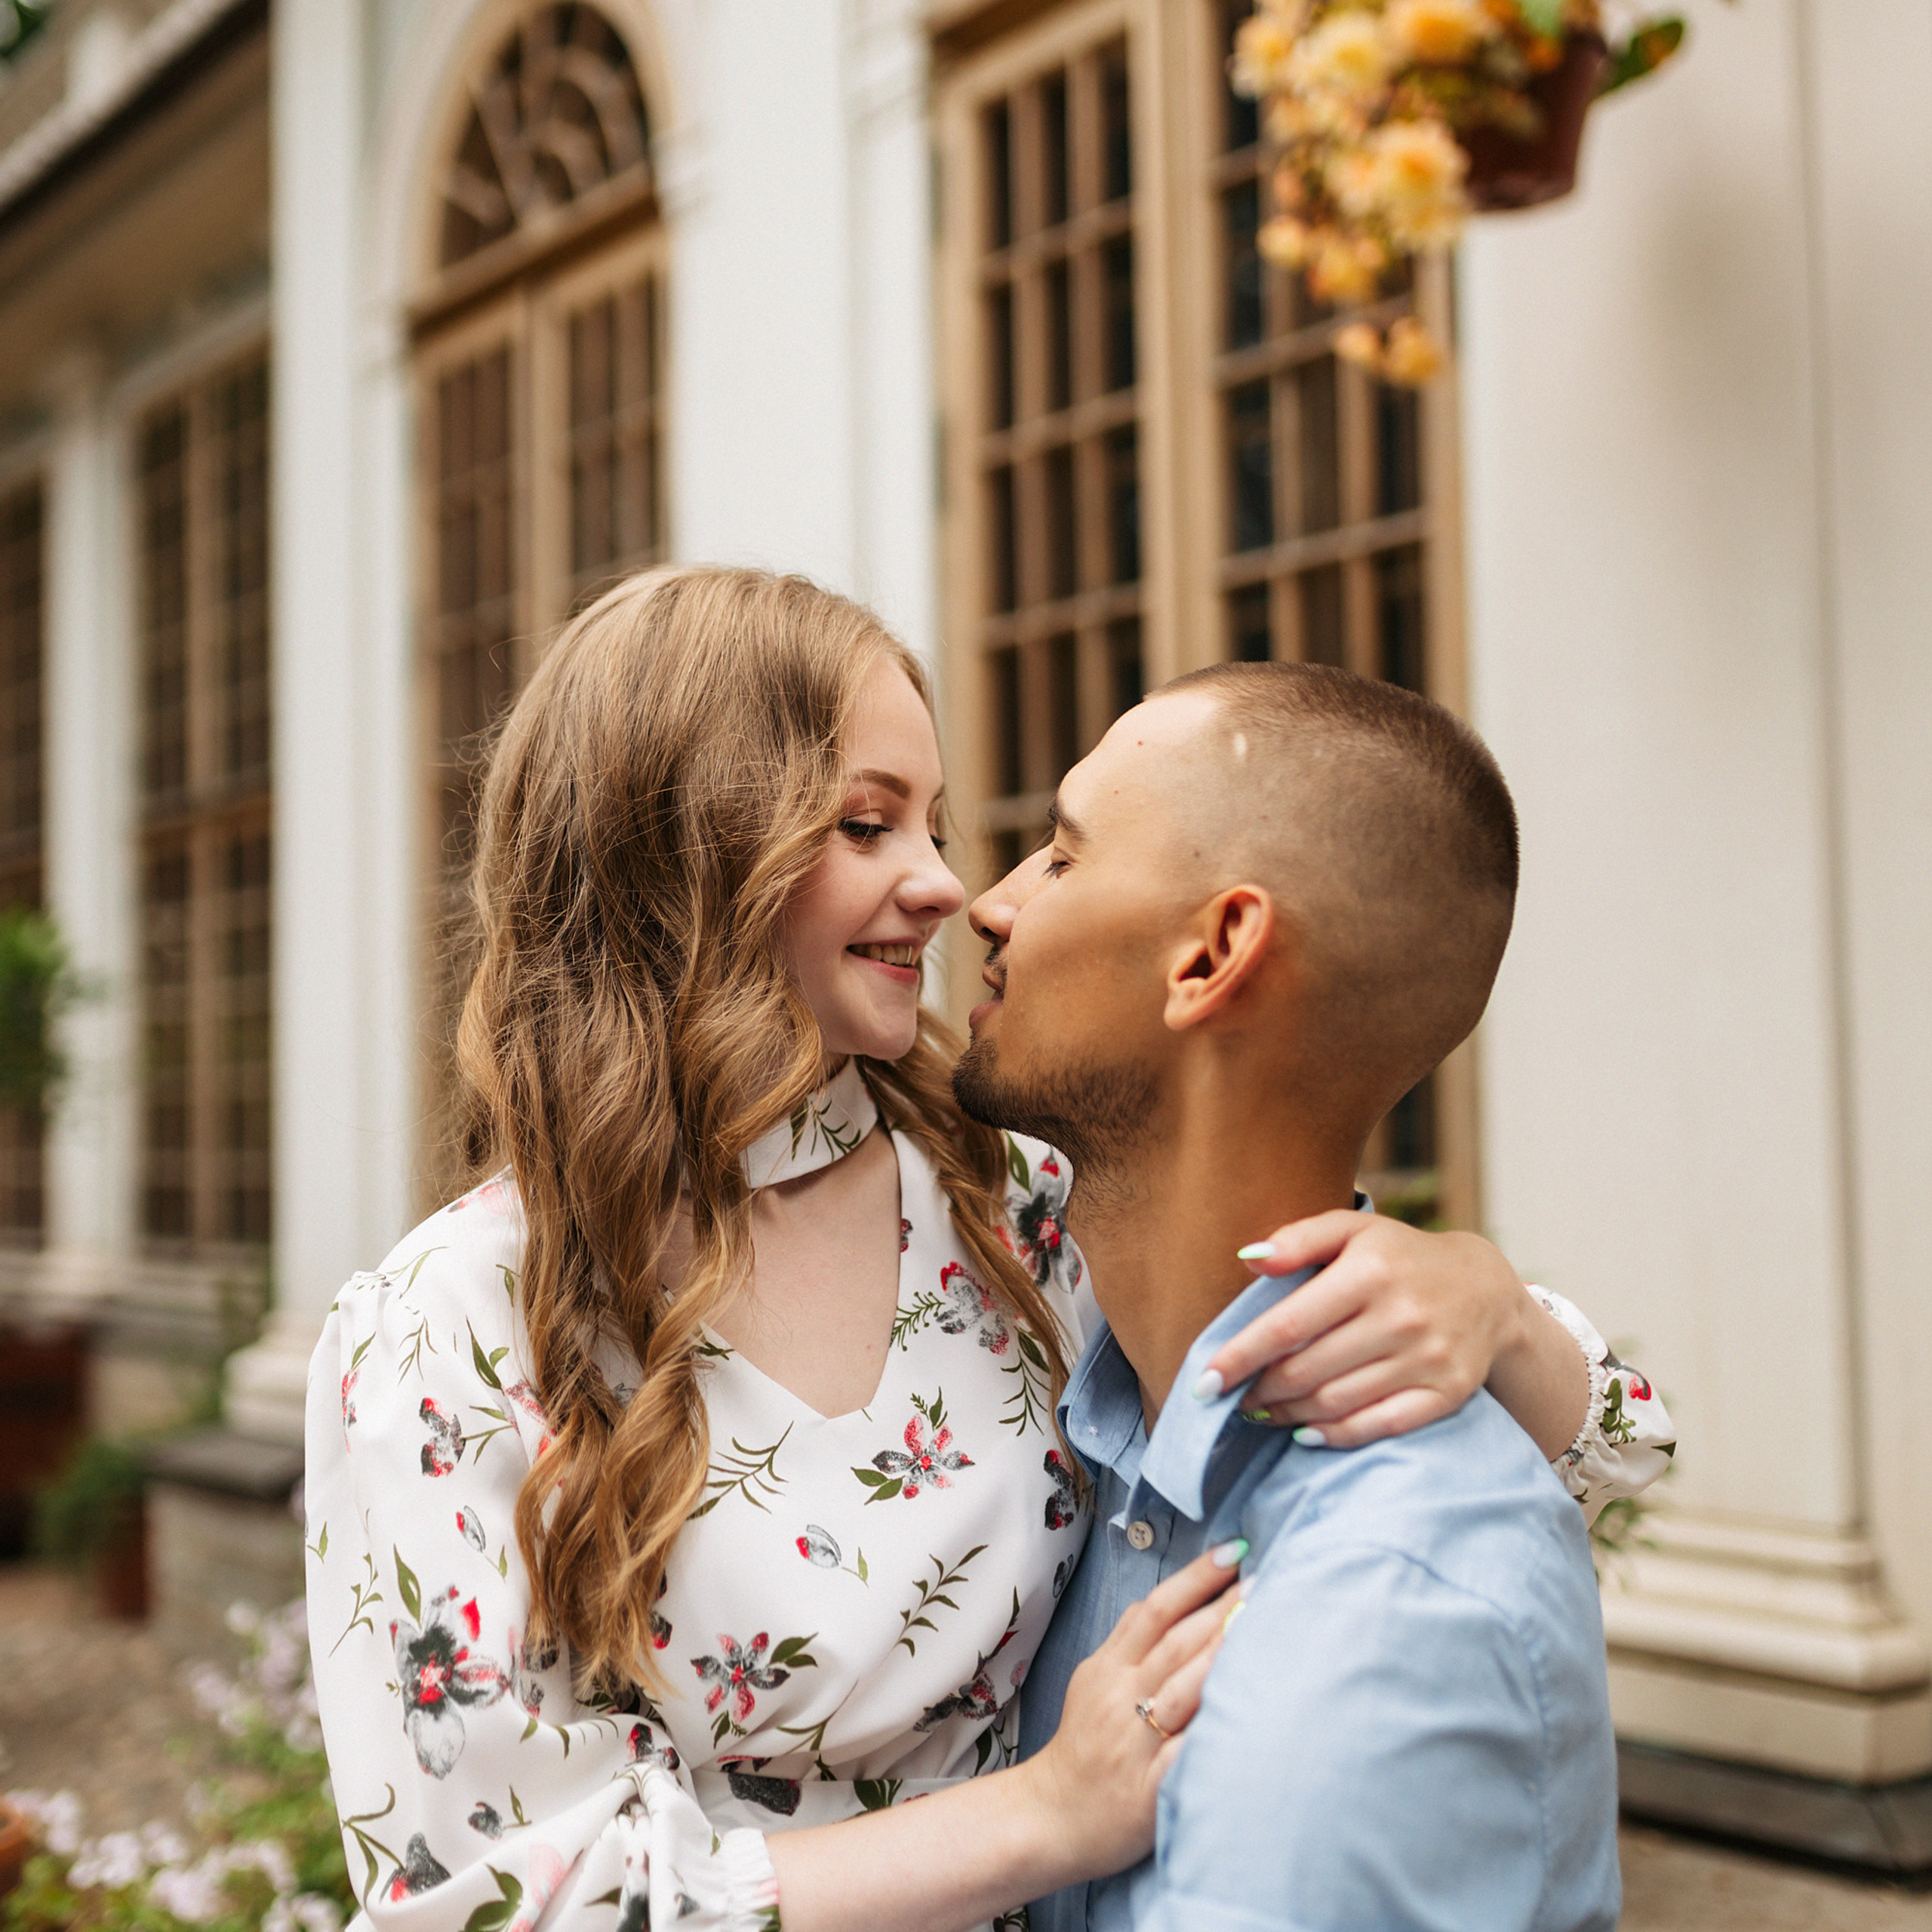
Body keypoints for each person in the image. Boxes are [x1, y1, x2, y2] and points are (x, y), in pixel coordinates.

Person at [304, 568, 1669, 1932]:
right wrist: (1041, 1816)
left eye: (937, 824)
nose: (949, 885)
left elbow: (1593, 1447)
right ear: (682, 848)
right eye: (866, 824)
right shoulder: (448, 1323)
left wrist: (1488, 1302)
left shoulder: (1012, 1209)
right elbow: (480, 1909)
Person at [983, 662, 1635, 1932]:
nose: (988, 902)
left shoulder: (1392, 1589)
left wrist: (1502, 1306)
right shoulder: (1083, 1399)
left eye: (1060, 857)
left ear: (1213, 953)